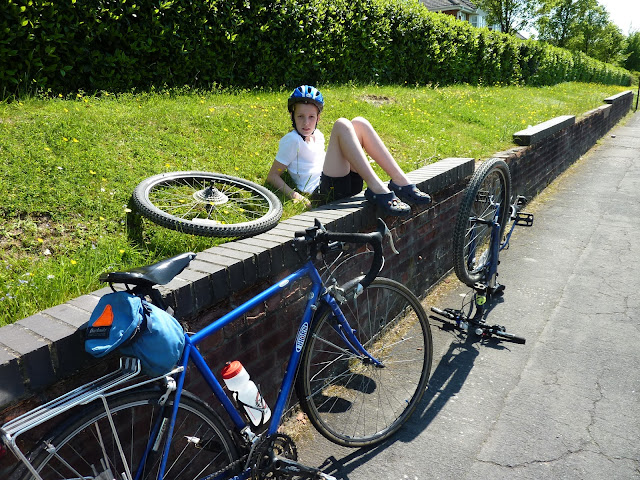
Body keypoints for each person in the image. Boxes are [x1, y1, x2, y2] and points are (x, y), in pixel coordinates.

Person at [267, 85, 431, 216]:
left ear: (318, 118)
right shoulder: (292, 140)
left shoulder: (318, 136)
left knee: (359, 123)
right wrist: (296, 196)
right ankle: (377, 188)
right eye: (300, 116)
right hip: (324, 192)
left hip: (346, 184)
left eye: (311, 117)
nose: (306, 123)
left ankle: (400, 181)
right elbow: (273, 176)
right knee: (342, 124)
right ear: (292, 116)